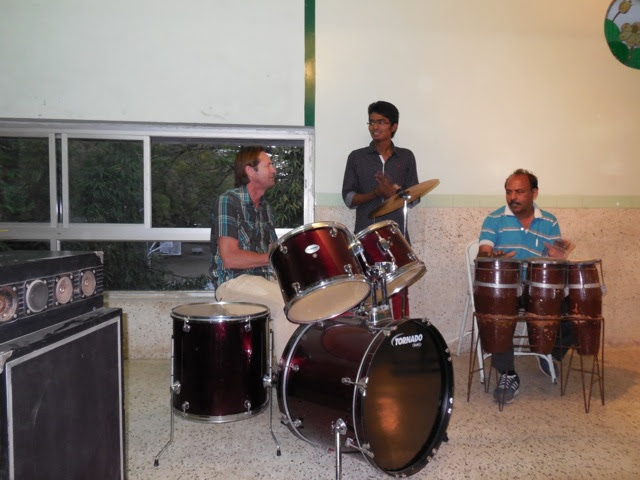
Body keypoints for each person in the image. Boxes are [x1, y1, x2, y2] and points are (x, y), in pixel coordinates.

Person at [477, 169, 574, 404]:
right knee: (497, 313)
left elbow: (554, 261)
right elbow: (483, 253)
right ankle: (507, 373)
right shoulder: (494, 219)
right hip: (505, 288)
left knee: (575, 309)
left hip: (536, 288)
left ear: (534, 193)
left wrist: (557, 255)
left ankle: (548, 351)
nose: (513, 197)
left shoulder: (549, 221)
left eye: (519, 192)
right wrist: (493, 257)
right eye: (509, 192)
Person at [210, 146, 297, 361]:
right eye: (269, 165)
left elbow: (273, 251)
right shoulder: (228, 201)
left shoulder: (265, 207)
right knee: (287, 304)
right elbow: (230, 258)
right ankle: (286, 373)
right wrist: (271, 258)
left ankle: (300, 366)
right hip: (232, 282)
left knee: (302, 297)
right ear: (250, 171)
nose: (274, 170)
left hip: (262, 279)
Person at [342, 101, 420, 319]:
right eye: (372, 122)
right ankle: (370, 337)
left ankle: (400, 332)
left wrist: (395, 192)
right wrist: (376, 193)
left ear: (394, 126)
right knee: (367, 294)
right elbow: (348, 198)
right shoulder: (357, 157)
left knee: (399, 292)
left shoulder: (406, 157)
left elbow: (414, 199)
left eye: (381, 122)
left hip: (397, 237)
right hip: (364, 236)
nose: (375, 127)